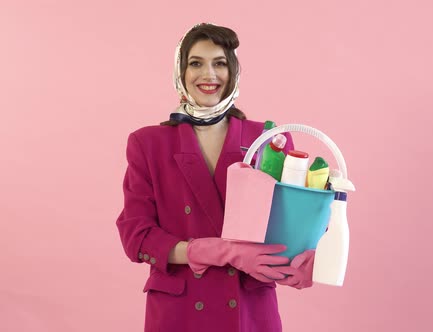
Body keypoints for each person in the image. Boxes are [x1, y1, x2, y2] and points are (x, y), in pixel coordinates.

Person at [115, 23, 315, 332]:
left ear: (233, 71)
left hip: (248, 312)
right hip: (178, 313)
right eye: (196, 63)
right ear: (180, 71)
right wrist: (217, 251)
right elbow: (136, 237)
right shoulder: (147, 143)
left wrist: (302, 262)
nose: (209, 75)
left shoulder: (269, 140)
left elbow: (292, 226)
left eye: (220, 63)